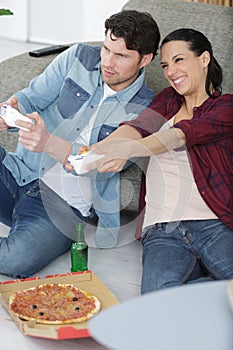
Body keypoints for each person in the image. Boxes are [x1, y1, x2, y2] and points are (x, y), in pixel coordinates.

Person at [0, 10, 161, 278]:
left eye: (121, 56)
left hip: (61, 205)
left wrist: (48, 143)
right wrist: (10, 110)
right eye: (106, 49)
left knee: (16, 260)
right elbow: (32, 98)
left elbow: (100, 162)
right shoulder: (77, 58)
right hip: (18, 173)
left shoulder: (146, 108)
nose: (107, 62)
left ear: (145, 59)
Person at [79, 28, 233, 293]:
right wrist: (95, 150)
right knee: (155, 301)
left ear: (204, 59)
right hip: (163, 229)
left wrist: (129, 150)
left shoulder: (226, 107)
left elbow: (180, 136)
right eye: (164, 65)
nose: (171, 71)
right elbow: (137, 127)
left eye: (179, 60)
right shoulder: (167, 100)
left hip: (213, 222)